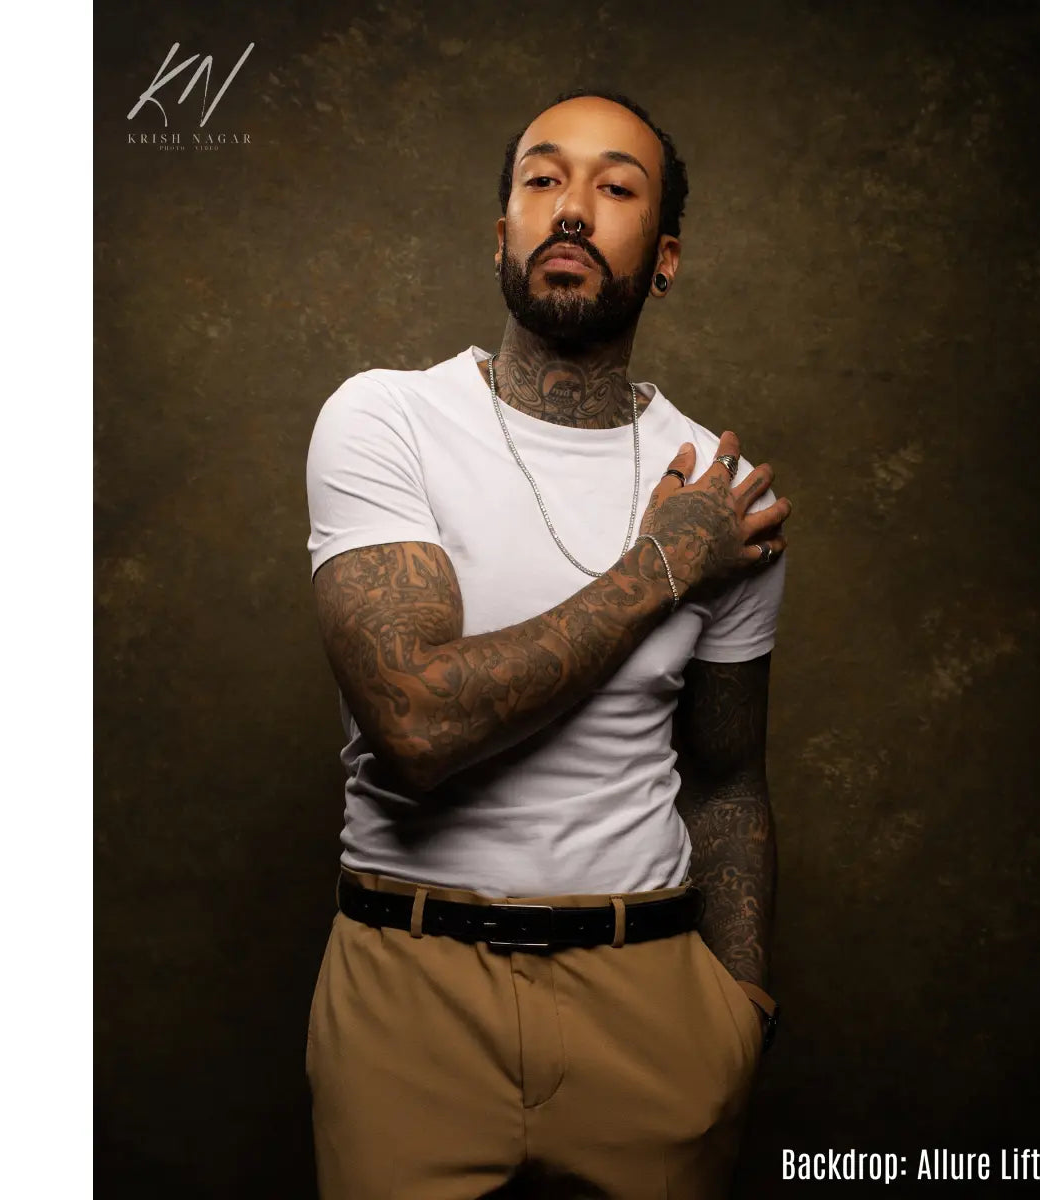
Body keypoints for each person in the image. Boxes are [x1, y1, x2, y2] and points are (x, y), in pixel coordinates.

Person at [304, 88, 793, 1199]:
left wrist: (739, 1008)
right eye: (542, 179)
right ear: (501, 237)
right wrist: (663, 566)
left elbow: (727, 779)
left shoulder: (720, 493)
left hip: (653, 1002)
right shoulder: (386, 421)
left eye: (615, 187)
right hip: (408, 996)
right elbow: (416, 723)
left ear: (664, 260)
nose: (572, 207)